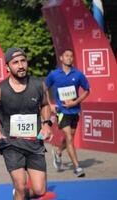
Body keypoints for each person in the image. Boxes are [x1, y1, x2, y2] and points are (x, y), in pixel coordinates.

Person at [0, 47, 52, 200]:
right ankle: (19, 193)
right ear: (7, 67)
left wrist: (47, 124)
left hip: (35, 144)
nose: (20, 65)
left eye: (23, 61)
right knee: (20, 185)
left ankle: (19, 196)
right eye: (15, 63)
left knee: (40, 190)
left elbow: (46, 105)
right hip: (11, 144)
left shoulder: (38, 85)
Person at [45, 49, 90, 177]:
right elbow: (44, 87)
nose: (69, 58)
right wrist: (50, 104)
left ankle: (58, 152)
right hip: (61, 111)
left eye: (71, 56)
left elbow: (87, 90)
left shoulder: (79, 74)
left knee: (69, 136)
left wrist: (75, 103)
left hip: (74, 111)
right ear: (61, 58)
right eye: (66, 56)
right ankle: (77, 167)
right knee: (69, 138)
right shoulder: (54, 74)